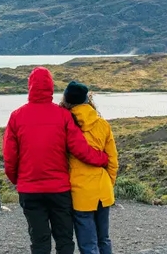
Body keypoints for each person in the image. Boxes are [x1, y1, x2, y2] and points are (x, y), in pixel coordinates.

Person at [3, 67, 110, 254]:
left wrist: (18, 180)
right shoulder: (63, 116)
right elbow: (80, 149)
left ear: (30, 86)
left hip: (30, 190)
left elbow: (10, 158)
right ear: (51, 87)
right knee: (64, 240)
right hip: (59, 190)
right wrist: (101, 158)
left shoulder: (16, 117)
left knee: (39, 241)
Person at [60, 81, 119, 254]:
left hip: (80, 192)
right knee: (104, 239)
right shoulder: (103, 124)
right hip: (102, 189)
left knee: (88, 244)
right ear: (87, 99)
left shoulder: (66, 124)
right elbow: (113, 160)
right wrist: (109, 183)